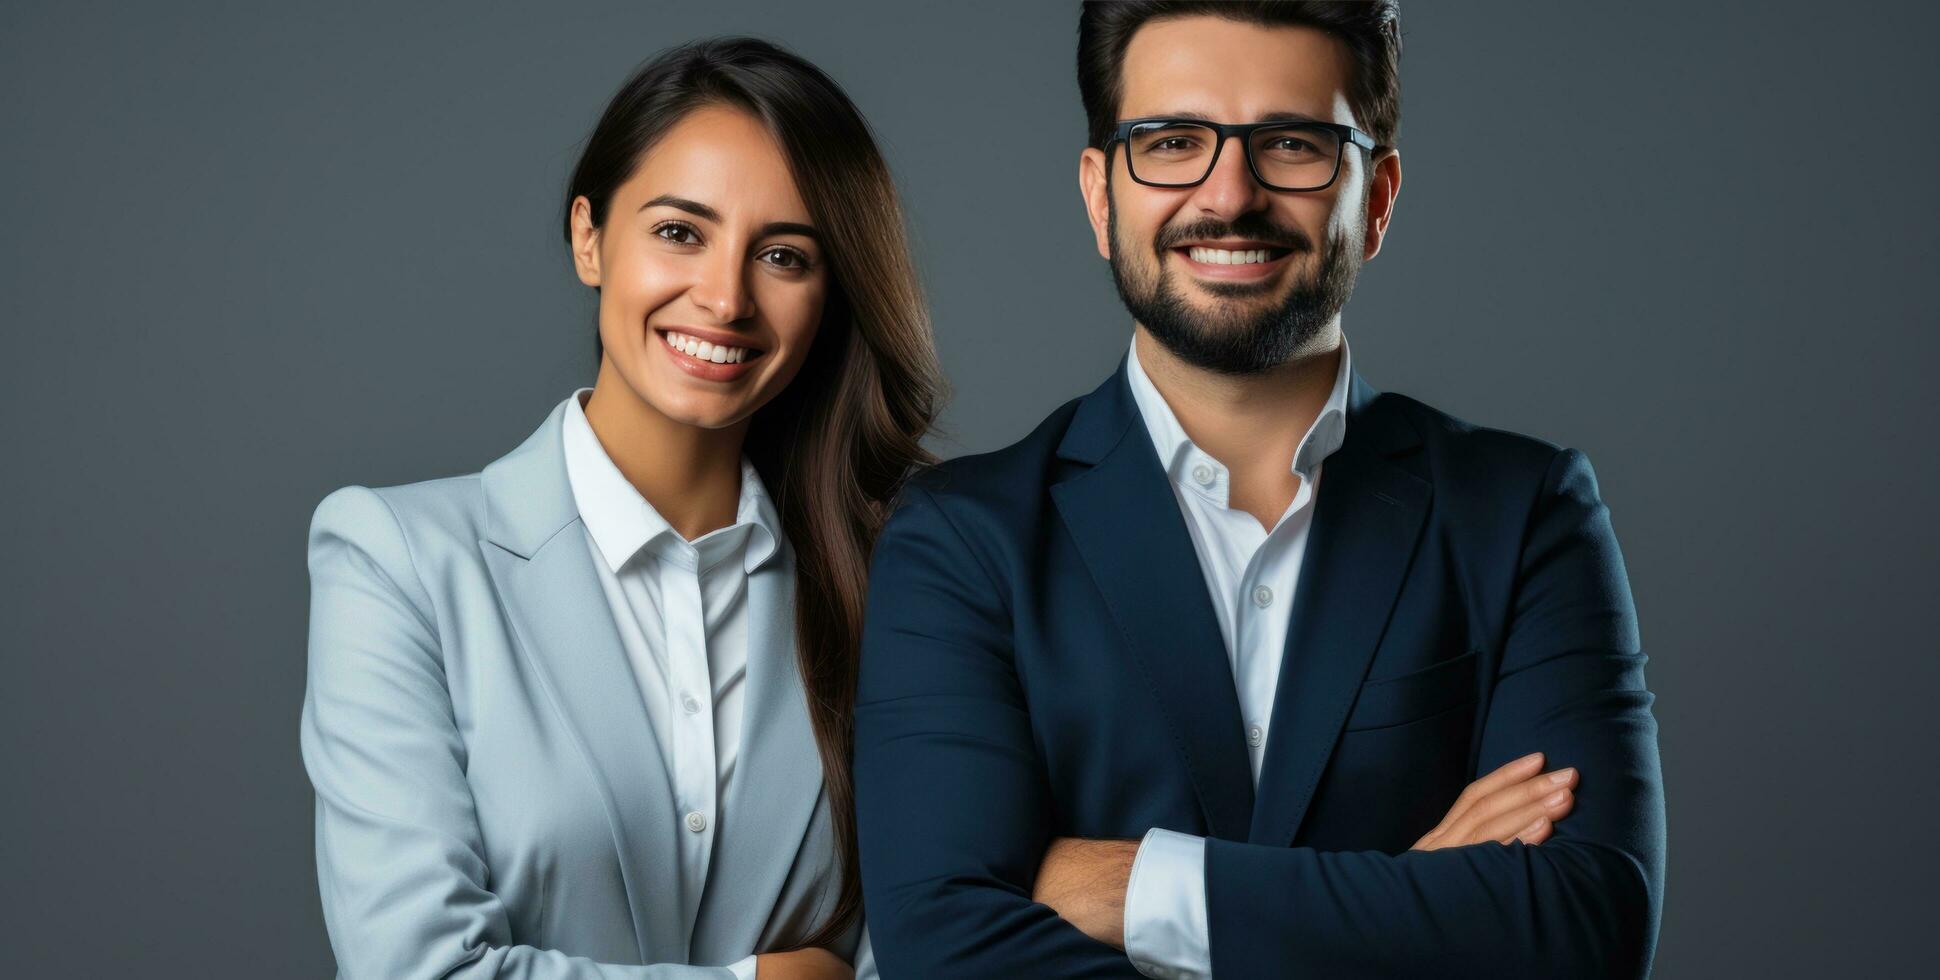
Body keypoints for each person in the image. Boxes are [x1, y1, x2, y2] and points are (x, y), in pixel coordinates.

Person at [852, 2, 1666, 977]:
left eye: (1291, 143)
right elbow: (944, 950)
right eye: (1170, 141)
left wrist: (1144, 887)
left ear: (1377, 196)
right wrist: (1408, 895)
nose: (1228, 193)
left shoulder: (1520, 510)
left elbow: (1584, 923)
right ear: (1099, 195)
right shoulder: (962, 538)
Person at [300, 37, 940, 980]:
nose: (725, 297)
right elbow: (416, 970)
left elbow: (931, 944)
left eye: (784, 256)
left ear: (831, 295)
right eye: (680, 232)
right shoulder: (396, 563)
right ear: (589, 238)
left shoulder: (896, 580)